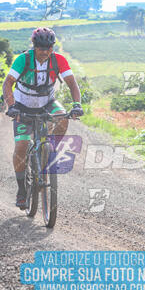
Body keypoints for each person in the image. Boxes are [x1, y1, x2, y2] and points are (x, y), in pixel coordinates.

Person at [2, 27, 84, 210]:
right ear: (34, 46)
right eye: (41, 48)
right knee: (22, 145)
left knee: (63, 118)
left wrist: (77, 105)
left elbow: (72, 83)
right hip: (22, 105)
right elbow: (7, 83)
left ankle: (48, 150)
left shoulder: (58, 60)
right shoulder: (23, 59)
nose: (45, 52)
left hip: (47, 102)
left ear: (52, 47)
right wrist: (12, 106)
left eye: (49, 47)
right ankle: (22, 190)